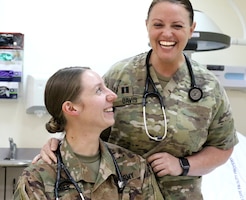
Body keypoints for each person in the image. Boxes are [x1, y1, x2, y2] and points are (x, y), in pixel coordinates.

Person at [35, 0, 238, 199]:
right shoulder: (119, 76)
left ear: (191, 29)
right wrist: (61, 146)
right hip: (121, 191)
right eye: (158, 24)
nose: (167, 33)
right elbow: (85, 120)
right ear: (147, 25)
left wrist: (183, 165)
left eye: (177, 25)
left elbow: (223, 146)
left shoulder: (209, 87)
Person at [14, 66, 164, 200]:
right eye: (99, 90)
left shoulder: (135, 167)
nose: (113, 95)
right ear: (71, 108)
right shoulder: (38, 178)